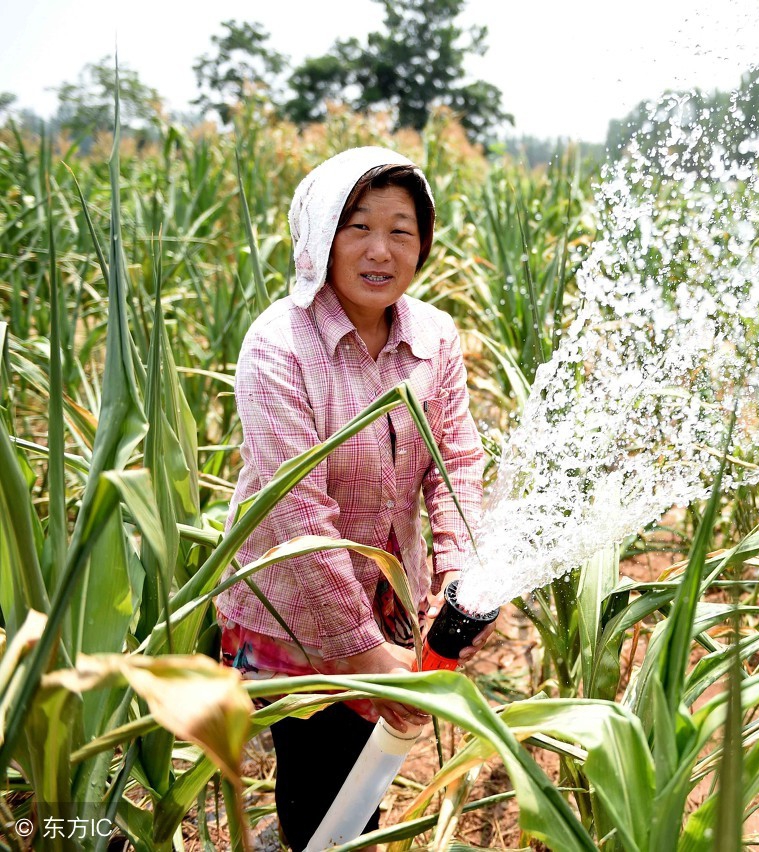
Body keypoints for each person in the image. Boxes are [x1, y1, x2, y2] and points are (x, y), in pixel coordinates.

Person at [213, 147, 493, 850]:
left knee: (359, 777)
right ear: (319, 238)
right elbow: (296, 516)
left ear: (423, 243)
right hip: (294, 604)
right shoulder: (279, 346)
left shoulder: (433, 337)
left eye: (401, 230)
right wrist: (362, 656)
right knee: (320, 772)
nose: (380, 250)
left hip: (390, 597)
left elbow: (456, 463)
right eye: (358, 226)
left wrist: (460, 573)